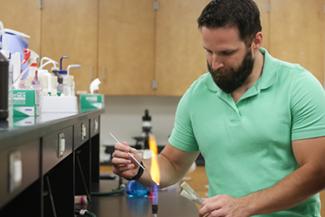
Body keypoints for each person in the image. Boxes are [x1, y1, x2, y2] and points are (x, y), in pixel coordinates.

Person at [112, 0, 325, 216]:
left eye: (226, 53)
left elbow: (318, 170)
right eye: (208, 51)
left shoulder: (298, 87)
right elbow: (172, 164)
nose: (215, 64)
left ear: (256, 41)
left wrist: (244, 205)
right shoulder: (197, 95)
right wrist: (139, 168)